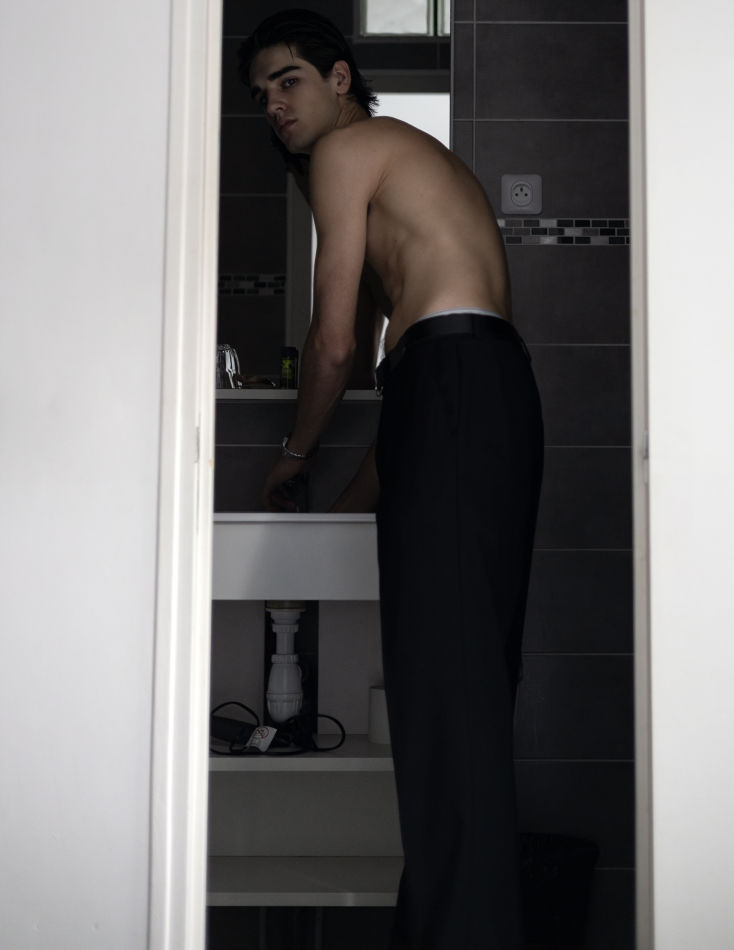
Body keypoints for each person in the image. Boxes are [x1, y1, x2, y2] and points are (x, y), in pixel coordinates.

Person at [240, 10, 543, 948]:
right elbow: (407, 387)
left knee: (446, 701)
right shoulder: (397, 177)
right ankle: (450, 924)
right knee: (461, 692)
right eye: (260, 94)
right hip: (482, 397)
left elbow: (334, 348)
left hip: (459, 393)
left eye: (288, 80)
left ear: (340, 79)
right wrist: (339, 514)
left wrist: (292, 455)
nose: (273, 105)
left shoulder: (350, 148)